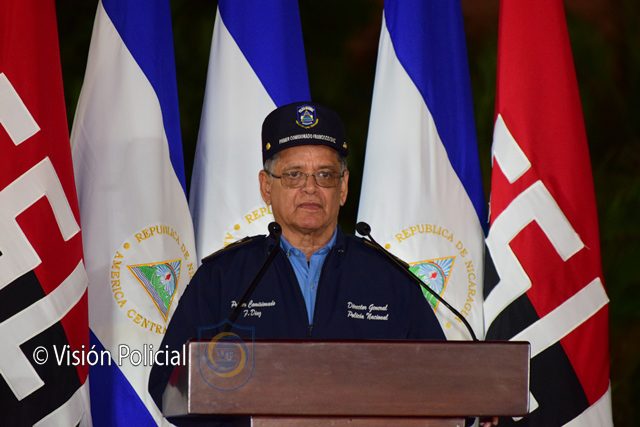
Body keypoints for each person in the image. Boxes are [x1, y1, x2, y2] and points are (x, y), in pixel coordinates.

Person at [148, 101, 446, 425]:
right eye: (294, 175)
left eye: (325, 175)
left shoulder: (389, 278)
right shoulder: (223, 278)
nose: (310, 188)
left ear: (343, 187)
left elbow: (442, 381)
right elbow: (169, 386)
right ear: (266, 187)